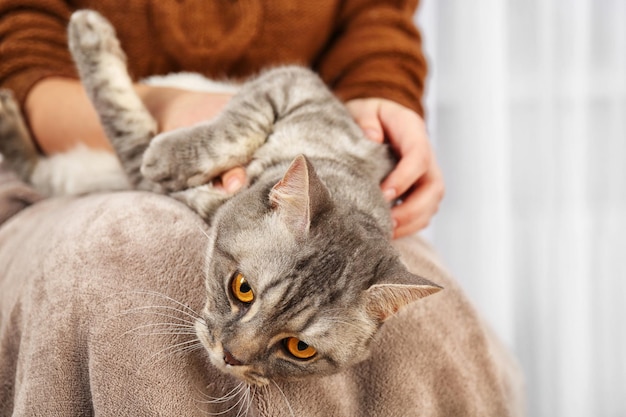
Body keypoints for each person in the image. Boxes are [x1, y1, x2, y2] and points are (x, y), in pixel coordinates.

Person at [0, 0, 444, 237]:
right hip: (70, 135)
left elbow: (376, 21)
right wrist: (161, 108)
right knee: (131, 261)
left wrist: (378, 99)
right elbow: (23, 57)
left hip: (303, 172)